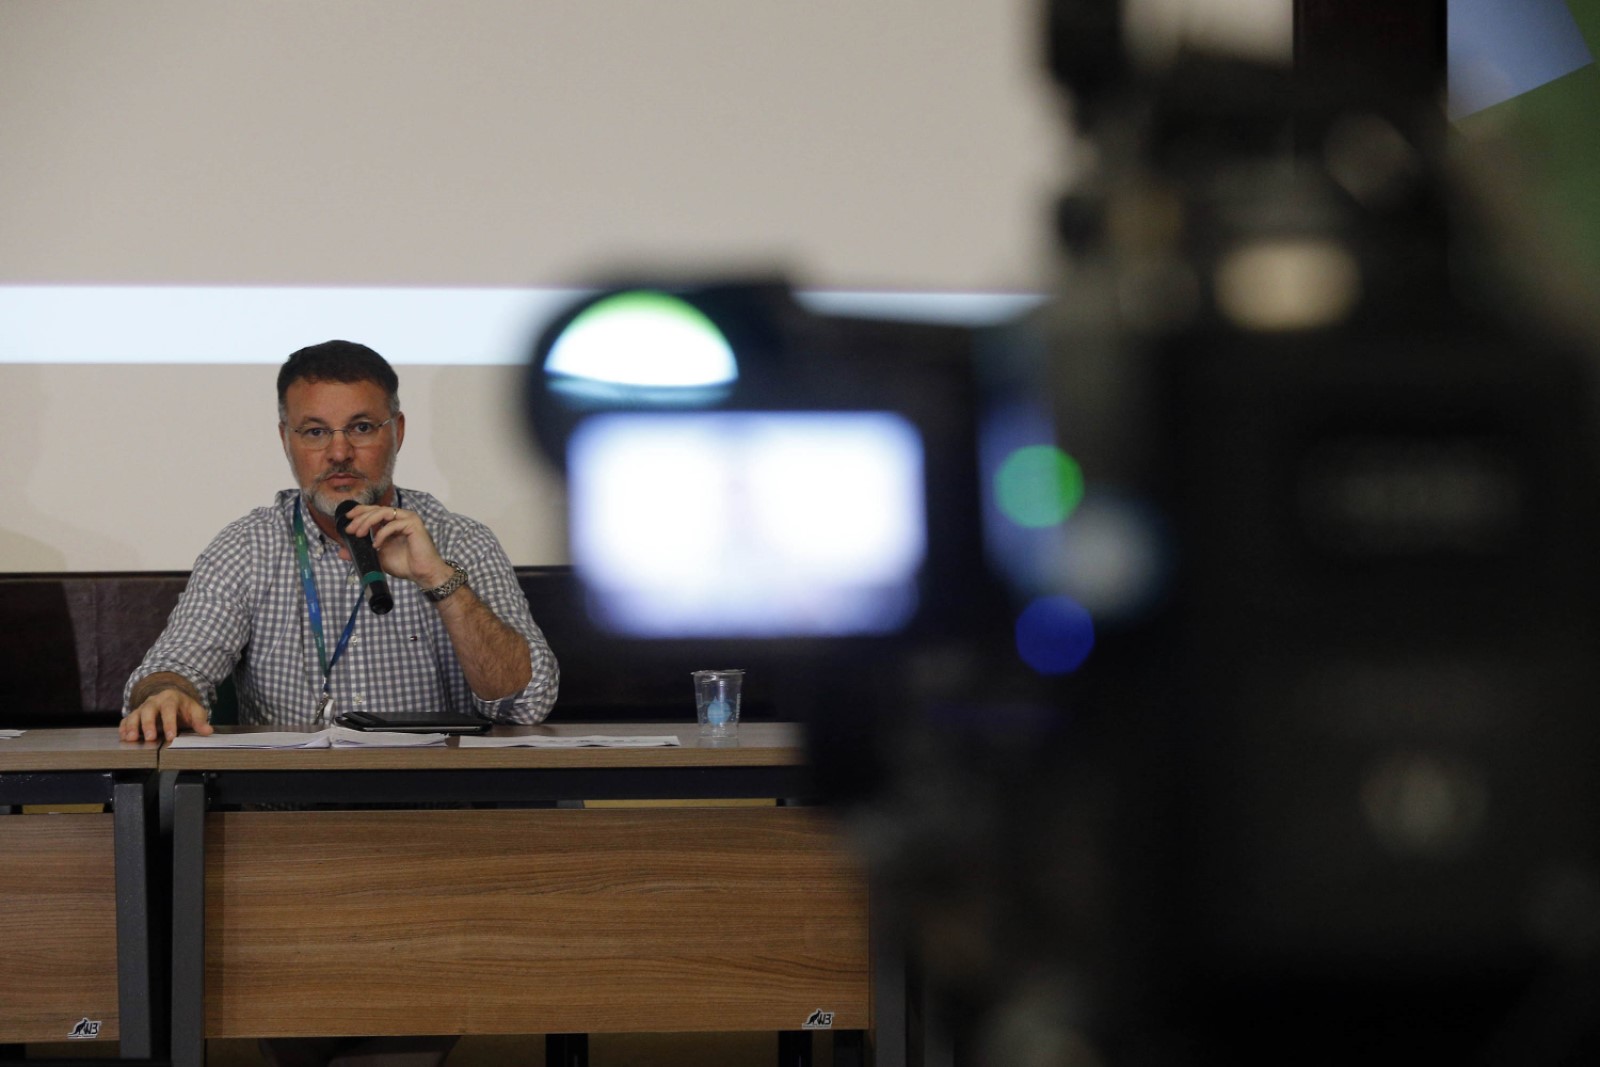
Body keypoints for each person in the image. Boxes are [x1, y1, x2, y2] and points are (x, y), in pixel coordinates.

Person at [121, 339, 558, 741]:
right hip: (288, 813)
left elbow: (526, 704)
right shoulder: (247, 547)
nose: (339, 453)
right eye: (315, 432)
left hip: (436, 811)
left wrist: (439, 580)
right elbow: (175, 667)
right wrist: (166, 693)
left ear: (397, 432)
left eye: (362, 427)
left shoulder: (463, 541)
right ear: (285, 441)